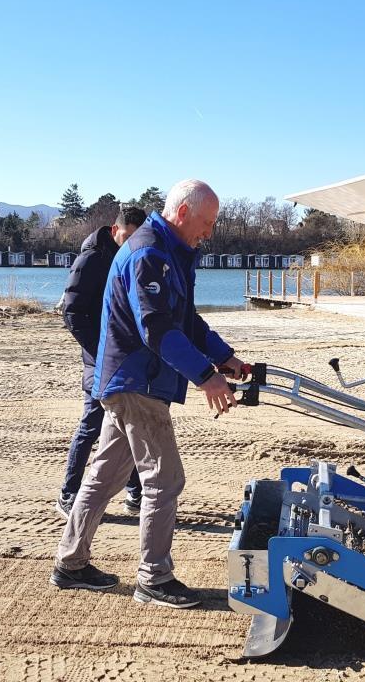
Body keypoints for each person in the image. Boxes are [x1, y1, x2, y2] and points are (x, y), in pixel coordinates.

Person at [51, 180, 244, 609]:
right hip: (135, 382)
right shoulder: (149, 253)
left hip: (131, 380)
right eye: (205, 224)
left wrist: (225, 357)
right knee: (165, 478)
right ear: (180, 213)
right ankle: (154, 578)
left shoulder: (167, 252)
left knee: (105, 476)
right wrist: (205, 375)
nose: (208, 233)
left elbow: (184, 319)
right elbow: (156, 328)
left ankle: (71, 564)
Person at [57, 204, 148, 519]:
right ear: (115, 231)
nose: (132, 242)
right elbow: (72, 312)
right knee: (92, 424)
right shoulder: (93, 258)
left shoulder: (137, 257)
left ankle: (135, 492)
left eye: (138, 237)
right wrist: (99, 351)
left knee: (134, 423)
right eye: (127, 236)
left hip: (127, 355)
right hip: (99, 358)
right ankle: (69, 493)